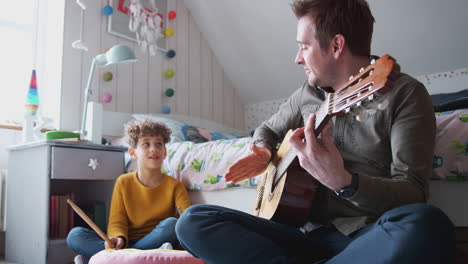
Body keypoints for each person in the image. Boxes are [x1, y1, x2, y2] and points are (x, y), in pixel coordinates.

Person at [175, 0, 455, 263]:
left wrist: (344, 182)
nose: (297, 58)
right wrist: (262, 151)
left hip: (365, 236)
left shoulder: (405, 94)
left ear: (336, 46)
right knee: (193, 221)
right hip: (300, 234)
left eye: (304, 46)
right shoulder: (306, 94)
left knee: (427, 224)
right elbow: (268, 129)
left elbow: (413, 192)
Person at [67, 119, 191, 263]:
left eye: (158, 144)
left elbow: (187, 221)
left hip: (154, 241)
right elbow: (117, 221)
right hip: (124, 243)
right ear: (133, 153)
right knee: (75, 235)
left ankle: (111, 259)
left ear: (164, 151)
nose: (153, 149)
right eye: (146, 144)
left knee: (173, 224)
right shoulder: (123, 182)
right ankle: (130, 258)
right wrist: (118, 238)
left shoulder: (175, 186)